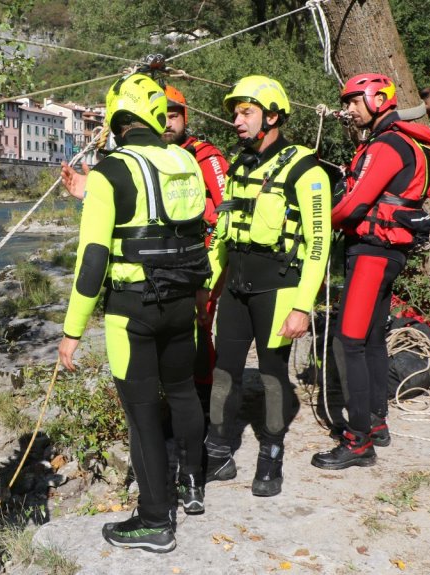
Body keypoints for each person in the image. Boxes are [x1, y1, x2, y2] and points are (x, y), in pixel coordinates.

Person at [58, 72, 209, 553]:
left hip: (133, 309)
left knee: (142, 414)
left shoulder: (109, 172)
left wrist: (72, 330)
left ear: (115, 119)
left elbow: (93, 259)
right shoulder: (185, 160)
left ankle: (154, 521)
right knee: (183, 393)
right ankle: (192, 484)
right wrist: (201, 296)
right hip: (182, 300)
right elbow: (191, 231)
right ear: (155, 115)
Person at [202, 75, 331, 496]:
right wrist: (206, 285)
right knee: (224, 372)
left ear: (272, 117)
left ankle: (271, 454)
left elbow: (319, 245)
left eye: (246, 112)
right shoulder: (238, 166)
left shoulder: (306, 171)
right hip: (236, 288)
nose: (237, 121)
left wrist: (302, 306)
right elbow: (223, 235)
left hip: (278, 288)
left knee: (274, 375)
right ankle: (218, 453)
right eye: (235, 114)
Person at [313, 73, 430, 470]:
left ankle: (358, 442)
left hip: (372, 252)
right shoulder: (397, 140)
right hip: (387, 252)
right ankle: (376, 422)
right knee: (370, 339)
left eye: (354, 101)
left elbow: (354, 205)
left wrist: (319, 221)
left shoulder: (386, 145)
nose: (349, 109)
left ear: (377, 99)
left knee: (349, 340)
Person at [161, 84, 230, 403]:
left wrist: (211, 267)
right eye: (161, 117)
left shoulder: (205, 154)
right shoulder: (151, 157)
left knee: (200, 324)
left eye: (173, 116)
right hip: (169, 256)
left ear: (184, 118)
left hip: (206, 251)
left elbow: (227, 207)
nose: (167, 123)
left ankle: (205, 394)